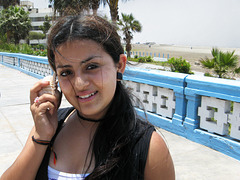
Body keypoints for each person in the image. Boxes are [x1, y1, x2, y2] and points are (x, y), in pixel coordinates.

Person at [0, 14, 175, 180]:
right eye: (66, 72)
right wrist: (41, 137)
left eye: (91, 67)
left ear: (119, 65)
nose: (79, 84)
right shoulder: (52, 127)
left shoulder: (148, 147)